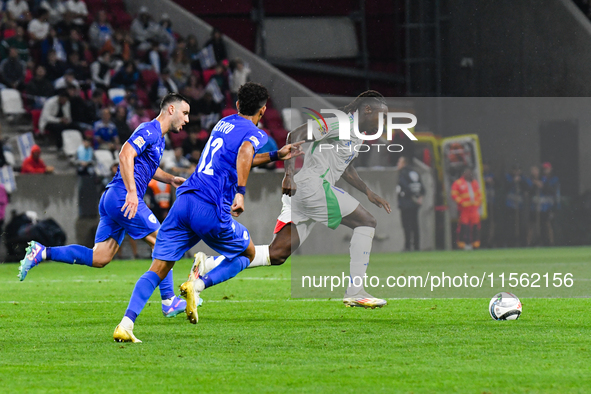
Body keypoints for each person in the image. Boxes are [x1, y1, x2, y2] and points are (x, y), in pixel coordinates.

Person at [113, 82, 303, 342]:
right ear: (263, 110)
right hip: (211, 208)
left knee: (157, 269)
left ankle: (125, 324)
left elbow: (237, 157)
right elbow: (245, 153)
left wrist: (274, 156)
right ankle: (198, 284)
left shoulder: (222, 123)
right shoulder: (256, 133)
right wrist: (240, 192)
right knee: (246, 254)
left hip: (185, 201)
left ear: (237, 106)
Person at [195, 91, 392, 309]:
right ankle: (356, 291)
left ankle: (206, 266)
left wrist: (367, 191)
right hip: (312, 187)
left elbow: (346, 168)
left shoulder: (357, 134)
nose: (383, 123)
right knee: (367, 222)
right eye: (381, 117)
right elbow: (296, 134)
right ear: (367, 109)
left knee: (276, 254)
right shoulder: (340, 122)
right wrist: (288, 174)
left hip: (305, 194)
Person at [18, 93, 191, 319]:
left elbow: (146, 165)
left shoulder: (159, 138)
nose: (187, 119)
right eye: (185, 113)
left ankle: (42, 252)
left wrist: (169, 179)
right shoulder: (150, 130)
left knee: (100, 257)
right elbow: (125, 154)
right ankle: (168, 300)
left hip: (113, 198)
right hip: (123, 196)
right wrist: (131, 192)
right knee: (163, 241)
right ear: (171, 109)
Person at [397, 156, 424, 251]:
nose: (398, 164)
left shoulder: (403, 173)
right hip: (415, 204)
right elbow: (422, 188)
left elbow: (405, 188)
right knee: (415, 225)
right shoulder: (415, 172)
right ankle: (417, 246)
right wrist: (419, 198)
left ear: (404, 163)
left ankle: (408, 246)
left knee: (406, 225)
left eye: (399, 162)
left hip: (406, 203)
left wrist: (410, 196)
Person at [451, 167, 482, 250]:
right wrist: (461, 202)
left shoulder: (474, 183)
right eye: (468, 173)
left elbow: (479, 194)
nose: (470, 175)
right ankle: (462, 244)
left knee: (476, 227)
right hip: (464, 209)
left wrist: (478, 202)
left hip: (474, 209)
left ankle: (475, 244)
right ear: (464, 174)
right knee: (464, 227)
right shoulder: (458, 183)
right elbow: (454, 195)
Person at [504, 165, 526, 247]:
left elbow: (527, 187)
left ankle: (520, 241)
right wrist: (514, 181)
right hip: (510, 205)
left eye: (518, 170)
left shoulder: (522, 179)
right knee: (510, 225)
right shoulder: (508, 177)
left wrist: (520, 181)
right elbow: (506, 187)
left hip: (519, 206)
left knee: (519, 224)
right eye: (515, 170)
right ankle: (509, 242)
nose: (517, 172)